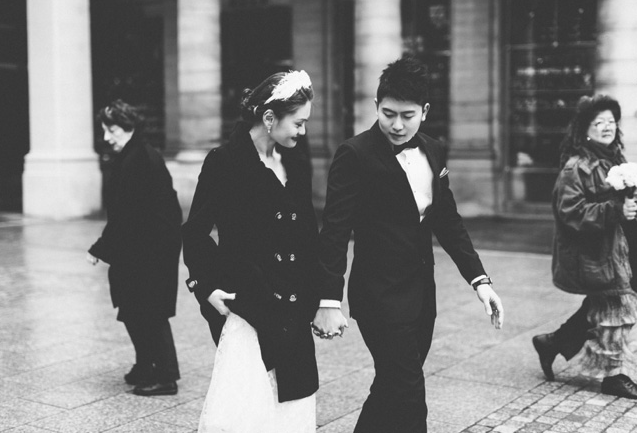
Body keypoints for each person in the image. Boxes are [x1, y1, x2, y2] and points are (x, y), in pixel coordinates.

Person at [311, 54, 505, 433]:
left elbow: (447, 221)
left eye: (407, 115)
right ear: (376, 107)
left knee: (392, 386)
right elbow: (334, 230)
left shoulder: (433, 150)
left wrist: (480, 281)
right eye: (388, 113)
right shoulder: (354, 154)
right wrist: (328, 300)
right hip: (378, 297)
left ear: (425, 111)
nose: (396, 125)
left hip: (421, 296)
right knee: (410, 392)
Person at [182, 70, 320, 433]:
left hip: (293, 304)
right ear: (270, 118)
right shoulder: (224, 161)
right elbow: (195, 232)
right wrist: (206, 287)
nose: (302, 132)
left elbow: (308, 235)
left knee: (292, 404)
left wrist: (321, 298)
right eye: (298, 123)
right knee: (247, 413)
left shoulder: (296, 161)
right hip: (248, 304)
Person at [532, 94, 637, 399]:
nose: (607, 127)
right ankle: (613, 375)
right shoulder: (576, 167)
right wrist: (615, 211)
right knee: (620, 306)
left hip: (616, 250)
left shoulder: (613, 159)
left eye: (611, 122)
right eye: (599, 122)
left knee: (602, 305)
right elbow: (570, 212)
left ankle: (553, 342)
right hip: (594, 254)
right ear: (585, 130)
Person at [87, 99, 183, 397]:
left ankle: (166, 377)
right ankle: (145, 366)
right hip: (143, 249)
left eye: (112, 129)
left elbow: (128, 213)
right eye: (105, 130)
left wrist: (100, 247)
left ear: (129, 128)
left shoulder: (139, 159)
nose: (107, 137)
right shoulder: (135, 155)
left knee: (149, 312)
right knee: (134, 309)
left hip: (149, 252)